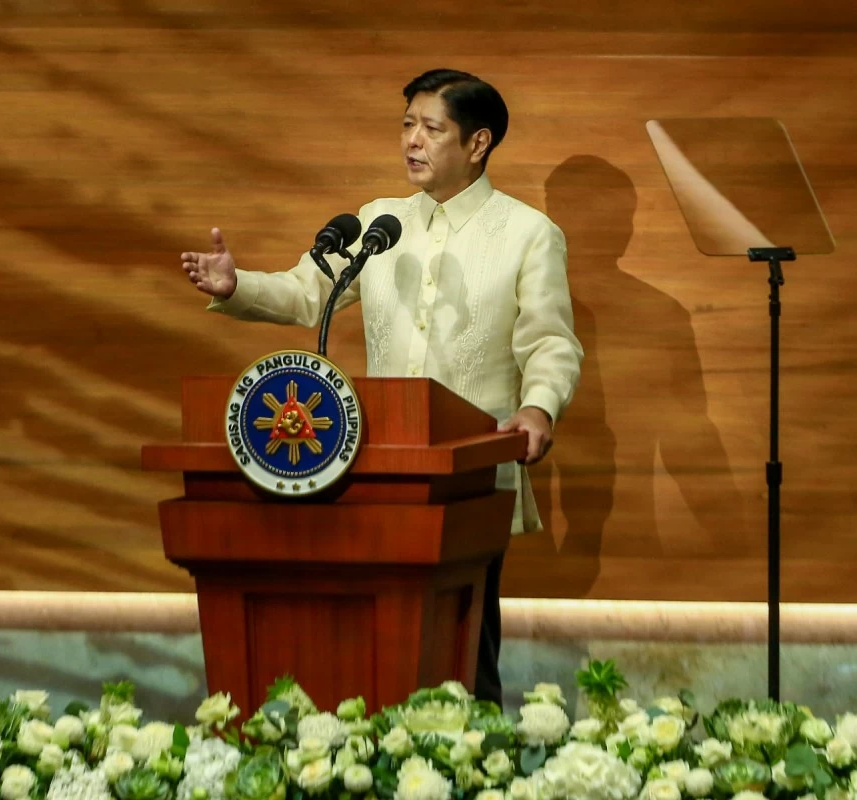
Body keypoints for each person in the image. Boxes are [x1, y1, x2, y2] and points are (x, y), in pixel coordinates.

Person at [179, 68, 583, 706]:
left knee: (463, 646)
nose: (412, 141)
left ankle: (473, 751)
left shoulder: (528, 233)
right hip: (376, 469)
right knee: (370, 642)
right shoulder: (379, 223)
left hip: (470, 476)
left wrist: (539, 407)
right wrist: (237, 286)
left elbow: (550, 341)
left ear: (478, 143)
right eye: (407, 125)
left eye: (432, 128)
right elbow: (308, 291)